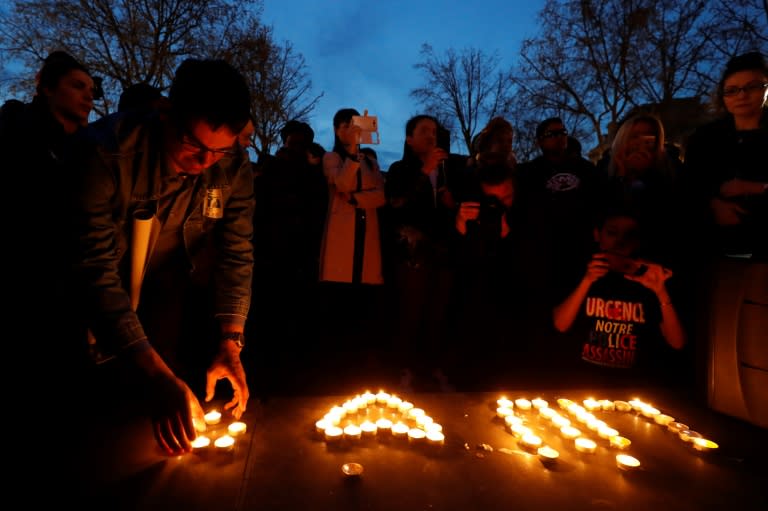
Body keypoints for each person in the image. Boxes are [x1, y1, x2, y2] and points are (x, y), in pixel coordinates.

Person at [72, 58, 255, 456]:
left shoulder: (234, 165)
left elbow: (236, 251)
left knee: (150, 417)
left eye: (220, 150)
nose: (206, 162)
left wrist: (230, 340)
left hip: (165, 284)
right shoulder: (105, 154)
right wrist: (155, 376)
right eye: (194, 145)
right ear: (165, 113)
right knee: (87, 420)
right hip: (78, 298)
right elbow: (94, 272)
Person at [551, 204, 686, 385]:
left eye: (629, 235)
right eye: (612, 233)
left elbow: (677, 342)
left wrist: (661, 292)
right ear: (597, 235)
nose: (620, 242)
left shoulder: (647, 279)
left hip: (629, 387)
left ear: (637, 241)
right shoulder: (579, 271)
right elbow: (560, 324)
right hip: (580, 382)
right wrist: (587, 281)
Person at [684, 51, 768, 260]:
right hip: (713, 247)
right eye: (732, 90)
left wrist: (756, 188)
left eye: (753, 87)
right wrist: (712, 204)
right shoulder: (704, 139)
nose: (742, 95)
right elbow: (688, 186)